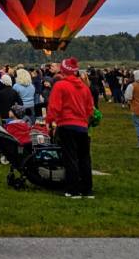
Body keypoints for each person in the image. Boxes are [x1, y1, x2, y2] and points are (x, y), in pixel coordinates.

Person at [45, 57, 95, 199]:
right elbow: (90, 108)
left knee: (70, 158)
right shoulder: (84, 87)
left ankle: (72, 189)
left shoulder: (60, 85)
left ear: (63, 70)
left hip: (67, 125)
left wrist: (49, 120)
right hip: (82, 126)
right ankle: (86, 188)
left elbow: (54, 106)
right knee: (84, 158)